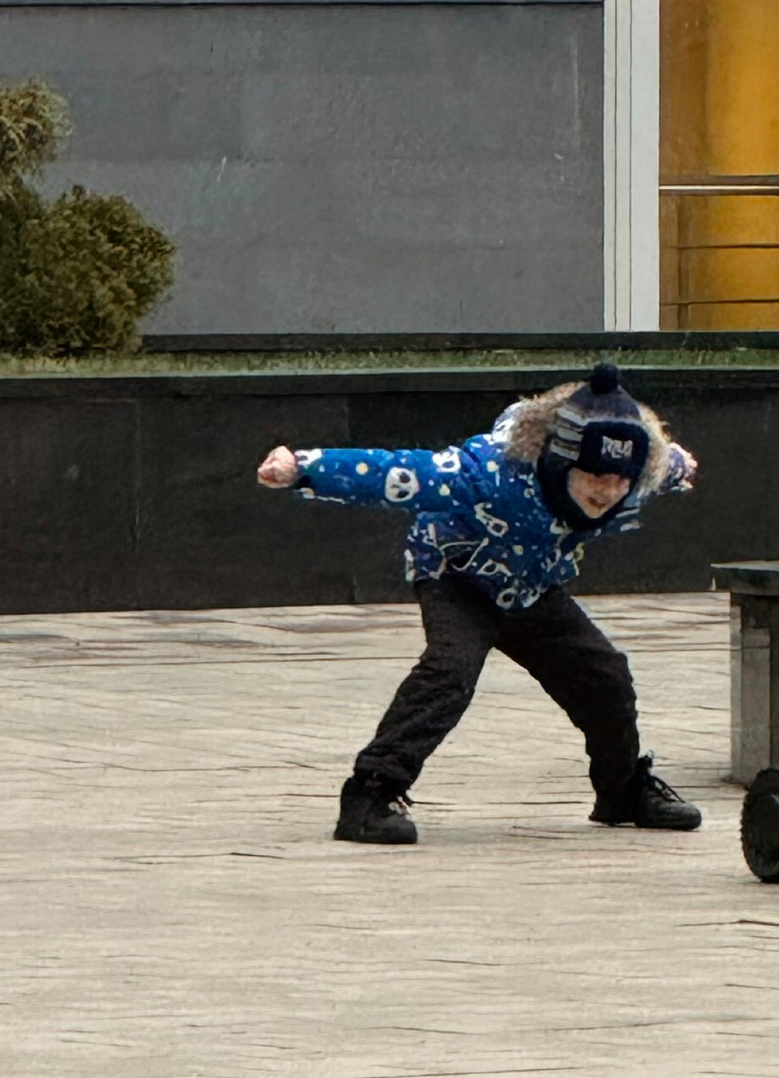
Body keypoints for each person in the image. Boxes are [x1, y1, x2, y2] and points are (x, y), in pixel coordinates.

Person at [256, 362, 705, 847]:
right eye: (594, 474)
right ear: (559, 457)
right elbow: (402, 472)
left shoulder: (637, 476)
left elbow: (662, 465)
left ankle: (622, 792)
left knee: (605, 675)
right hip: (457, 573)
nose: (606, 490)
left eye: (621, 479)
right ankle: (369, 796)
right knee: (450, 670)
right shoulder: (489, 472)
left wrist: (676, 464)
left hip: (531, 586)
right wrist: (306, 467)